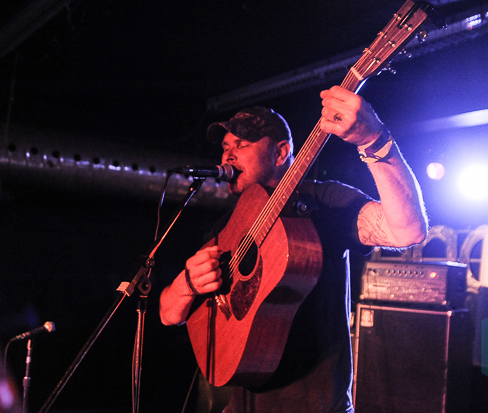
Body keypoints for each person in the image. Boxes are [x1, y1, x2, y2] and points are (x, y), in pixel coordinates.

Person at [159, 85, 428, 413]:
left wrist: (375, 142)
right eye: (225, 147)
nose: (227, 156)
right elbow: (168, 314)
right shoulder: (227, 226)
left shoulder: (320, 201)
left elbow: (407, 231)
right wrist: (187, 284)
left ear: (281, 153)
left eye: (241, 145)